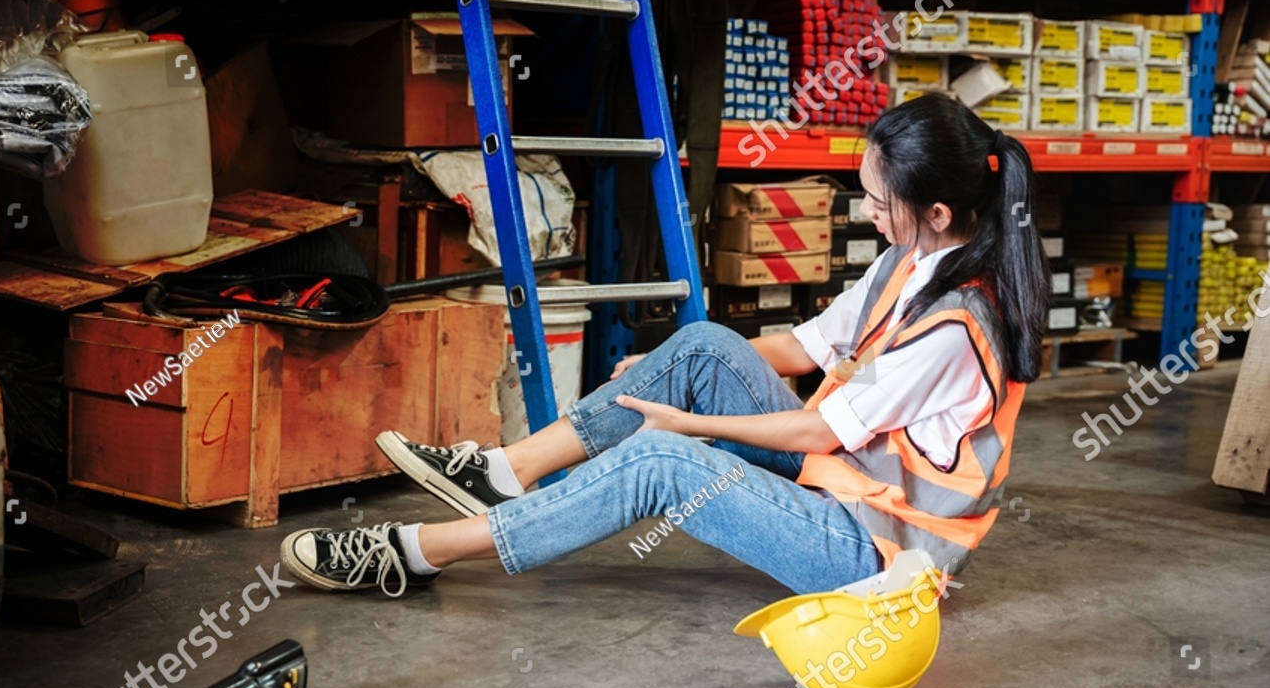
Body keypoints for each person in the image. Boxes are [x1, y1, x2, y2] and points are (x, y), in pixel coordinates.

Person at [279, 94, 1051, 598]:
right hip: (841, 480)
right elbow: (806, 344)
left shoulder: (959, 326)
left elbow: (820, 428)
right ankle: (503, 472)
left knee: (664, 462)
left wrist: (691, 426)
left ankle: (416, 553)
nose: (867, 211)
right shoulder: (912, 257)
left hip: (878, 555)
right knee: (706, 342)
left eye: (879, 202)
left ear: (939, 211)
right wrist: (671, 376)